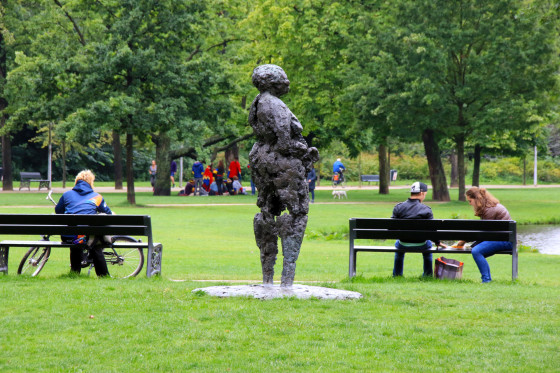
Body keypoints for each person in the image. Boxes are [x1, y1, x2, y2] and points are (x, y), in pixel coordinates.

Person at [248, 64, 319, 286]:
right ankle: (287, 279)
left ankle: (267, 277)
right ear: (274, 81)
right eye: (283, 78)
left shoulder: (257, 103)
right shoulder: (275, 104)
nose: (287, 82)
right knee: (297, 214)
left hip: (262, 158)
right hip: (283, 163)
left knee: (267, 212)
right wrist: (305, 153)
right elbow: (284, 141)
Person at [55, 170, 113, 277]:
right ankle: (103, 275)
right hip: (87, 236)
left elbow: (58, 211)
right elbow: (108, 214)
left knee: (77, 235)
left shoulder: (67, 194)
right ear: (91, 182)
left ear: (76, 181)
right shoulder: (96, 197)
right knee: (95, 239)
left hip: (69, 236)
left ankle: (75, 272)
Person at [457, 187, 513, 283]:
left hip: (505, 240)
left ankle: (486, 280)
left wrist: (464, 240)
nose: (469, 204)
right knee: (476, 249)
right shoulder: (489, 207)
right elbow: (486, 233)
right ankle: (486, 279)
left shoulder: (489, 210)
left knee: (476, 251)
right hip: (501, 238)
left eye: (470, 201)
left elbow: (484, 233)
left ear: (477, 199)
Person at [391, 182, 446, 277]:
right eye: (425, 194)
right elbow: (432, 231)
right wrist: (437, 242)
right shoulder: (426, 209)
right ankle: (428, 274)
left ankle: (397, 274)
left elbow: (391, 227)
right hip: (421, 243)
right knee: (428, 245)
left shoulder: (398, 207)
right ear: (421, 193)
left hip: (403, 243)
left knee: (398, 245)